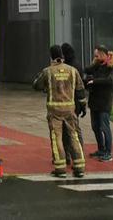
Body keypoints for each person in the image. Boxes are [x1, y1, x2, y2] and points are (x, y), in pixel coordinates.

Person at [33, 45, 86, 178]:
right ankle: (79, 167)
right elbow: (80, 90)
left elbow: (36, 85)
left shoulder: (48, 71)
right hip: (70, 110)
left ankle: (60, 168)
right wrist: (83, 105)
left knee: (57, 138)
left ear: (51, 57)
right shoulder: (73, 70)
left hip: (54, 111)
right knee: (73, 136)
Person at [85, 45, 113, 162]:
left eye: (97, 55)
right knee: (95, 127)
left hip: (104, 102)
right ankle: (101, 149)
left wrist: (94, 81)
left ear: (104, 54)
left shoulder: (111, 66)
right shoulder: (97, 65)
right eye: (95, 56)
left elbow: (111, 81)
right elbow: (87, 70)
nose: (96, 57)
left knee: (104, 127)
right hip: (94, 101)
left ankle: (108, 153)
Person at [59, 42, 87, 154]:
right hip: (75, 102)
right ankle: (76, 153)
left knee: (71, 130)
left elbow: (78, 87)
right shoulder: (76, 64)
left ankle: (73, 154)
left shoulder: (70, 67)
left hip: (71, 102)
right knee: (73, 129)